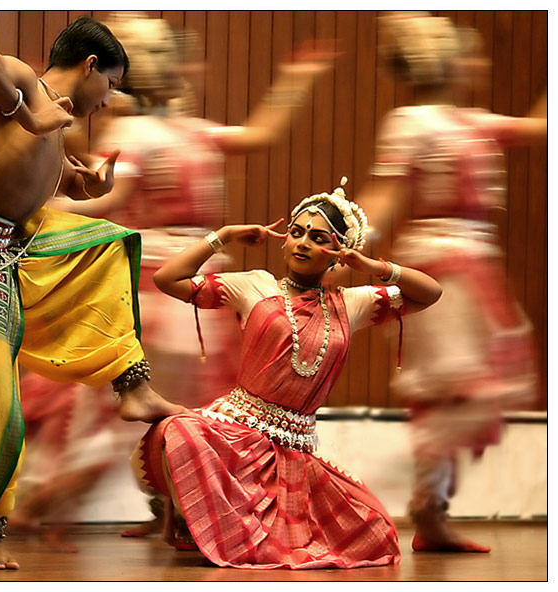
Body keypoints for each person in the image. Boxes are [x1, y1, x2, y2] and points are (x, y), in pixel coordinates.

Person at [33, 13, 336, 539]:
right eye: (184, 57)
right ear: (169, 69)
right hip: (173, 287)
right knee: (167, 404)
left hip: (173, 283)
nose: (193, 66)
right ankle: (67, 495)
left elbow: (257, 136)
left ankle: (154, 504)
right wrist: (37, 212)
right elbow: (115, 200)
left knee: (153, 404)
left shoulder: (162, 130)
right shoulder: (157, 132)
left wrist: (297, 80)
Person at [0, 16, 184, 570]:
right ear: (90, 66)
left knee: (106, 244)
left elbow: (33, 178)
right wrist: (23, 109)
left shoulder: (61, 124)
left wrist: (87, 185)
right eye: (112, 85)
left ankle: (133, 386)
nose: (110, 100)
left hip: (8, 244)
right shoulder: (31, 85)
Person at [132, 179, 442, 569]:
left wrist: (374, 267)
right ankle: (192, 521)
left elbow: (429, 293)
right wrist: (223, 237)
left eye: (318, 237)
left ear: (338, 253)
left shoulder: (352, 303)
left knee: (376, 531)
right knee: (178, 431)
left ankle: (213, 524)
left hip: (295, 449)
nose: (302, 243)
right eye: (296, 233)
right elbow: (167, 280)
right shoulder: (255, 285)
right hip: (236, 430)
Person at [355, 12, 546, 553]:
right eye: (471, 53)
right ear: (449, 61)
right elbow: (387, 194)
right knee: (462, 388)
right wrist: (352, 241)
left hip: (473, 268)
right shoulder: (412, 123)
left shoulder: (474, 121)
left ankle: (431, 509)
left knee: (462, 389)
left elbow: (538, 128)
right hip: (443, 271)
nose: (479, 63)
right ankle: (398, 488)